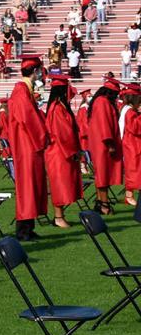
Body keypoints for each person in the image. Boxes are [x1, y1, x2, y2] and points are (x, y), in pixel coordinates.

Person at [5, 56, 50, 241]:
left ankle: (28, 227)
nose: (41, 73)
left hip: (29, 145)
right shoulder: (21, 90)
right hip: (27, 146)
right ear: (34, 71)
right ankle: (23, 230)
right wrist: (43, 137)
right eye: (39, 70)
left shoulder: (25, 90)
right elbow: (28, 118)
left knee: (33, 186)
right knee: (27, 187)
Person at [44, 74, 82, 227]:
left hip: (61, 151)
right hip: (59, 152)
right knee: (59, 184)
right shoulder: (57, 108)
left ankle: (60, 216)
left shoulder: (60, 106)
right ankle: (58, 217)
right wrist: (73, 151)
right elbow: (63, 133)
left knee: (63, 184)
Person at [87, 78, 123, 215]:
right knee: (103, 175)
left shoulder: (101, 101)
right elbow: (104, 124)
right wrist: (109, 143)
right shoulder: (102, 102)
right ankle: (104, 204)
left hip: (100, 143)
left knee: (102, 174)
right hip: (103, 144)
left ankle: (100, 202)